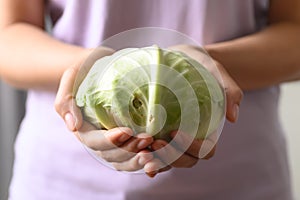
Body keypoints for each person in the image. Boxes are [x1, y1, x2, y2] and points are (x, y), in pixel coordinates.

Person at [0, 0, 299, 199]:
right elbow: (9, 36)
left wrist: (209, 61)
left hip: (239, 181)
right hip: (63, 182)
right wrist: (90, 69)